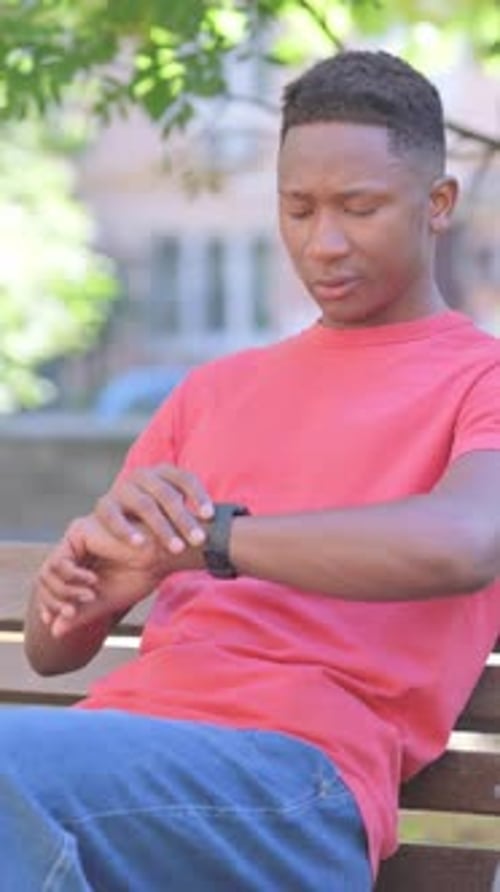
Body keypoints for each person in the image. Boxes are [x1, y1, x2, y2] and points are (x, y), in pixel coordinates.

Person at [2, 49, 500, 892]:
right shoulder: (211, 391)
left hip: (296, 782)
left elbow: (467, 541)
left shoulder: (479, 379)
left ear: (438, 203)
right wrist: (81, 582)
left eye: (359, 208)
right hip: (123, 756)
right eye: (297, 209)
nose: (323, 242)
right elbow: (53, 653)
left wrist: (216, 540)